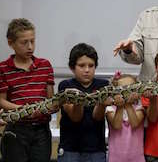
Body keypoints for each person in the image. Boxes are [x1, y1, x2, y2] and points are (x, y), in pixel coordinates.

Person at [0, 18, 55, 162]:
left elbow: (51, 100)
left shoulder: (44, 65)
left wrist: (48, 108)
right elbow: (1, 101)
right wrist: (25, 110)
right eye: (24, 42)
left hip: (41, 131)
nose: (30, 47)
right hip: (16, 130)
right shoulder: (3, 68)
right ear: (10, 43)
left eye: (33, 41)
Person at [57, 43, 111, 162]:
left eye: (91, 65)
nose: (87, 70)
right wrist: (79, 100)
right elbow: (76, 117)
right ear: (72, 67)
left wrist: (102, 103)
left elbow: (98, 117)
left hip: (96, 149)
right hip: (70, 149)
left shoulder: (104, 85)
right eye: (81, 65)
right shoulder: (65, 86)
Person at [106, 72, 145, 162]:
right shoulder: (110, 109)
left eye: (131, 88)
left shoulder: (139, 107)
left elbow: (135, 124)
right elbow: (117, 125)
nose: (127, 92)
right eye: (123, 89)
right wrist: (120, 106)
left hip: (136, 158)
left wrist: (128, 104)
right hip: (116, 158)